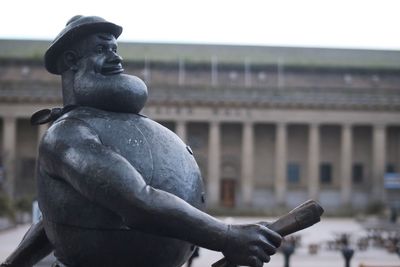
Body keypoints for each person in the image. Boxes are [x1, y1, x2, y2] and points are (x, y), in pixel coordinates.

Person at [1, 15, 281, 267]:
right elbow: (136, 201)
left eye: (115, 49)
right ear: (72, 61)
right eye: (101, 50)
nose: (117, 59)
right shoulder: (67, 135)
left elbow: (58, 217)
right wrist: (228, 236)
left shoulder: (106, 123)